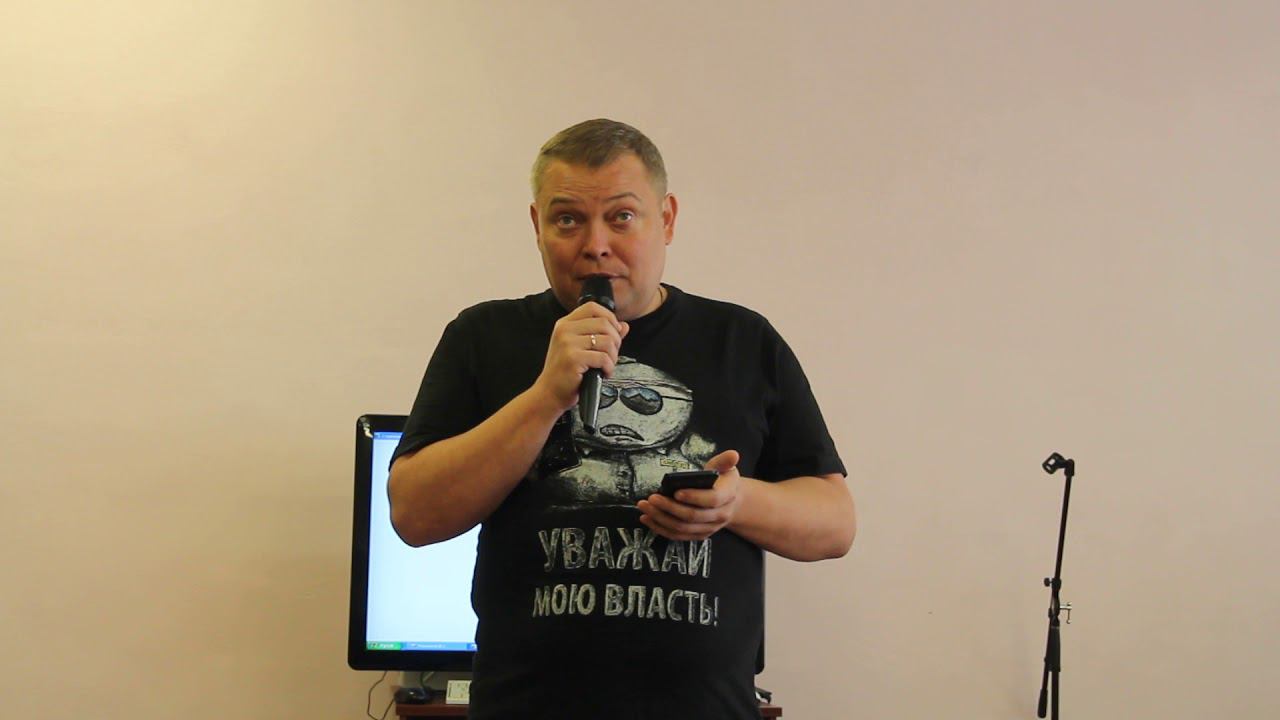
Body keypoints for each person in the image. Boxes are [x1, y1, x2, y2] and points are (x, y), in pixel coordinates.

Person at [388, 118, 856, 719]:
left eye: (622, 217)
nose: (595, 244)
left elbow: (835, 523)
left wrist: (737, 503)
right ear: (536, 226)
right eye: (567, 220)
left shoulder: (743, 341)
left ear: (667, 219)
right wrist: (545, 396)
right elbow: (414, 514)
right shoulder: (482, 337)